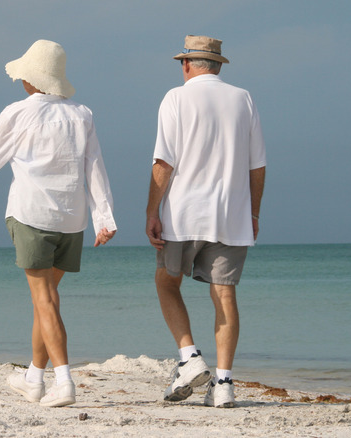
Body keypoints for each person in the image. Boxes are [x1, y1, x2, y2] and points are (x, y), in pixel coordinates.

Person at [0, 39, 117, 407]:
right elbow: (94, 167)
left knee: (45, 300)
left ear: (31, 79)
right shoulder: (82, 113)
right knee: (46, 300)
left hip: (33, 216)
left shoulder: (18, 113)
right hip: (72, 221)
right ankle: (34, 378)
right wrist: (104, 217)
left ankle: (64, 381)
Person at [145, 35, 266, 408]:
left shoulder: (175, 98)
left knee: (167, 283)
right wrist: (254, 212)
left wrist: (152, 211)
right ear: (217, 65)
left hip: (182, 212)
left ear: (186, 65)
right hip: (231, 213)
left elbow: (164, 163)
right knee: (224, 294)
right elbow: (257, 165)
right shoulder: (243, 98)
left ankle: (190, 357)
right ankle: (225, 383)